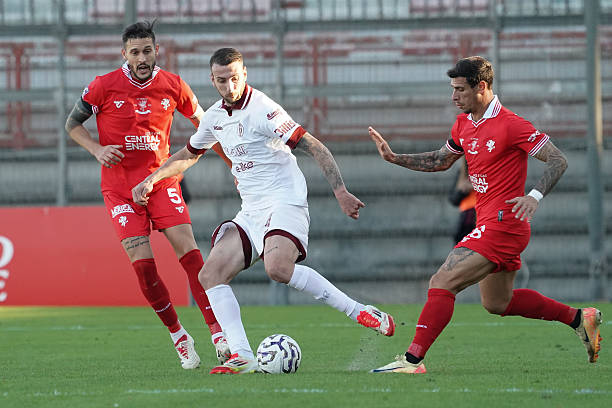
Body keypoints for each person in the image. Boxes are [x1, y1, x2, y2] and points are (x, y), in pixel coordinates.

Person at [132, 47, 396, 374]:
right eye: (221, 80)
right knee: (210, 275)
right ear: (212, 80)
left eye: (234, 78)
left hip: (285, 200)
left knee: (277, 269)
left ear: (244, 75)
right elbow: (189, 153)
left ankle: (358, 311)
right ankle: (242, 356)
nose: (229, 86)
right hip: (252, 210)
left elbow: (314, 145)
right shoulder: (214, 116)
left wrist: (339, 190)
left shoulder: (264, 109)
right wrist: (153, 179)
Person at [368, 56, 602, 374]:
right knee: (497, 303)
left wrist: (534, 196)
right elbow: (440, 160)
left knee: (442, 281)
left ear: (482, 87)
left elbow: (558, 159)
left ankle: (412, 361)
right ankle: (578, 318)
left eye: (460, 89)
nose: (454, 96)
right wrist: (395, 158)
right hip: (488, 223)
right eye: (452, 89)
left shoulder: (511, 124)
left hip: (505, 225)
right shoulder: (463, 124)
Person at [65, 20, 233, 370]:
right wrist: (97, 150)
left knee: (191, 257)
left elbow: (207, 127)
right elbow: (72, 125)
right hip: (119, 188)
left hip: (161, 182)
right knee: (144, 269)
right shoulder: (102, 86)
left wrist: (233, 163)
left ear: (157, 51)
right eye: (135, 52)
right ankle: (178, 336)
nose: (142, 57)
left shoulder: (174, 86)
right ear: (124, 54)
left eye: (147, 50)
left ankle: (218, 333)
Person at [448, 156, 477, 244]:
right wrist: (462, 190)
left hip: (484, 214)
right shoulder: (462, 173)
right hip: (467, 218)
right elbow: (453, 199)